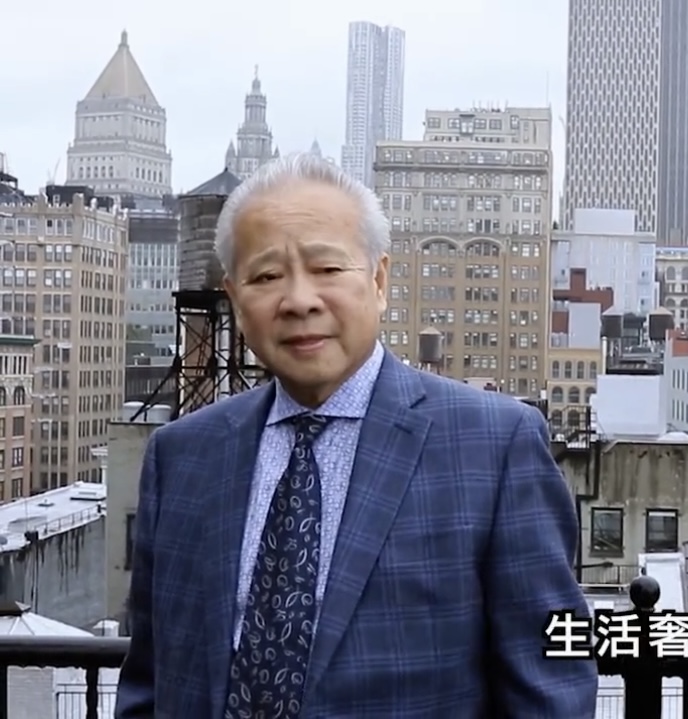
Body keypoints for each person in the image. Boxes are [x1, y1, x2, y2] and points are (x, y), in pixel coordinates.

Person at [115, 152, 598, 718]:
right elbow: (149, 678)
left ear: (379, 279)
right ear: (236, 298)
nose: (299, 300)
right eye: (266, 276)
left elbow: (550, 690)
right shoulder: (182, 456)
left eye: (327, 268)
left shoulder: (494, 446)